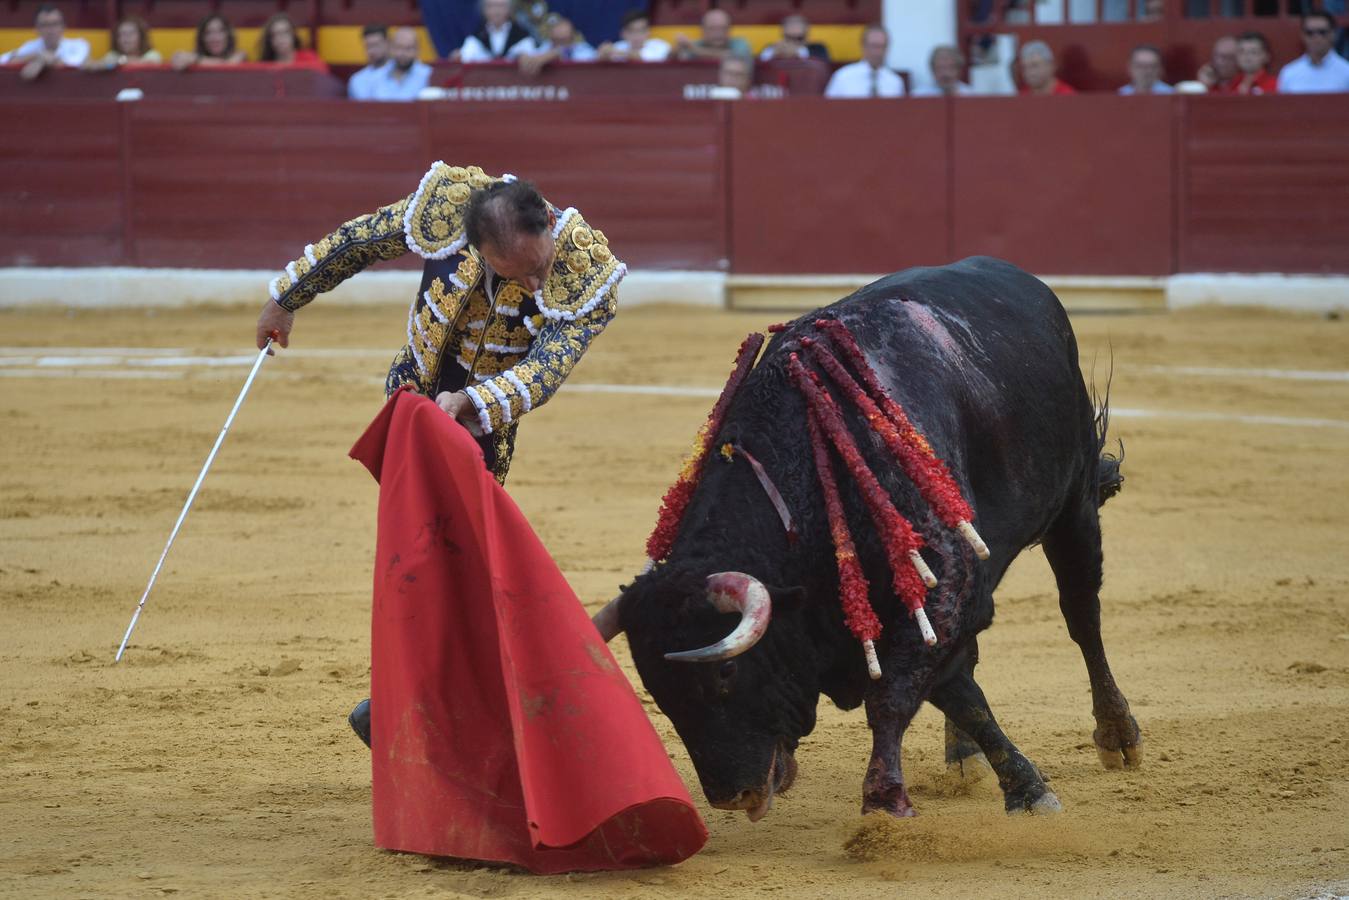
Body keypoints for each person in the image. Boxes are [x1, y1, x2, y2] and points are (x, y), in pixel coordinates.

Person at [253, 166, 626, 748]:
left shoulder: (586, 269)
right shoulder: (447, 207)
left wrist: (472, 401)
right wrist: (286, 298)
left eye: (539, 267)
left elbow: (544, 370)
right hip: (411, 399)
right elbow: (359, 241)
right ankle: (424, 696)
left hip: (485, 422)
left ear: (549, 227)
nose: (533, 284)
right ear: (475, 250)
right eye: (516, 273)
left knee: (460, 557)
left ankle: (423, 699)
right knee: (422, 550)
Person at [1, 5, 90, 80]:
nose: (51, 30)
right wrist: (36, 56)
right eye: (45, 25)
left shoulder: (79, 45)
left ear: (63, 26)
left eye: (55, 24)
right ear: (37, 29)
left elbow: (75, 64)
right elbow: (4, 60)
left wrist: (42, 61)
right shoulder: (31, 46)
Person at [824, 24, 905, 98]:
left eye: (882, 46)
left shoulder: (895, 81)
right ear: (863, 46)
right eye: (874, 46)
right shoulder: (843, 77)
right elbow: (828, 108)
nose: (878, 52)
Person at [1277, 9, 1349, 92]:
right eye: (1310, 32)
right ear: (1302, 35)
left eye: (1322, 32)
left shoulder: (1347, 72)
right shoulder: (1289, 73)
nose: (1316, 37)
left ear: (1333, 34)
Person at [350, 27, 430, 101]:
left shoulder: (429, 76)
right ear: (391, 48)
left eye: (408, 48)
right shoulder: (375, 77)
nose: (402, 53)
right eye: (398, 47)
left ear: (418, 50)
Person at [515, 14, 596, 77]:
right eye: (555, 25)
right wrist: (522, 56)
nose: (558, 28)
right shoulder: (540, 48)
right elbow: (517, 54)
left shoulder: (583, 49)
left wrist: (556, 54)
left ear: (572, 28)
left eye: (562, 24)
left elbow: (593, 61)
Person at [458, 0, 538, 63]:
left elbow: (531, 59)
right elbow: (465, 57)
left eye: (500, 6)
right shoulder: (475, 38)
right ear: (484, 9)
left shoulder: (522, 36)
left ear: (509, 9)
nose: (496, 11)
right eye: (491, 6)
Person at [171, 13, 246, 69]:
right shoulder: (194, 56)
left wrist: (195, 59)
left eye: (220, 31)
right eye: (208, 33)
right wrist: (179, 57)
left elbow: (227, 66)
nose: (215, 38)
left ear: (228, 35)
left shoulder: (239, 54)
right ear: (202, 38)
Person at [83, 16, 160, 71]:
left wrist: (120, 61)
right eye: (122, 34)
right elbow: (92, 65)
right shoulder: (113, 55)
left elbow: (148, 64)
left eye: (131, 33)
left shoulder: (152, 55)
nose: (126, 38)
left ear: (141, 37)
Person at [257, 12, 329, 71]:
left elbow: (324, 82)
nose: (280, 38)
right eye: (275, 34)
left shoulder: (309, 59)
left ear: (293, 36)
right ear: (269, 40)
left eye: (285, 32)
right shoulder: (265, 66)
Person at [674, 8, 751, 62]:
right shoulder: (695, 44)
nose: (718, 34)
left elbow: (736, 58)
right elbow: (678, 58)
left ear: (729, 30)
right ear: (703, 30)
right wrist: (676, 51)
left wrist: (696, 50)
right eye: (712, 29)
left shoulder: (740, 44)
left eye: (723, 28)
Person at [597, 10, 671, 62]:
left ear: (648, 32)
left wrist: (617, 53)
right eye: (631, 31)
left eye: (641, 30)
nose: (637, 35)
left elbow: (640, 57)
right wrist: (603, 56)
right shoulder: (618, 46)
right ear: (623, 33)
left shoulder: (660, 46)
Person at [759, 13, 830, 62]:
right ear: (782, 30)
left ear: (806, 29)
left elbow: (822, 64)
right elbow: (761, 62)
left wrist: (798, 52)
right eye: (790, 25)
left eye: (798, 25)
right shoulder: (772, 47)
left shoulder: (818, 48)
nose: (794, 28)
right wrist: (774, 52)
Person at [347, 25, 390, 99]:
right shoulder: (356, 80)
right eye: (368, 46)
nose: (372, 51)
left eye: (376, 45)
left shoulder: (401, 73)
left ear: (387, 43)